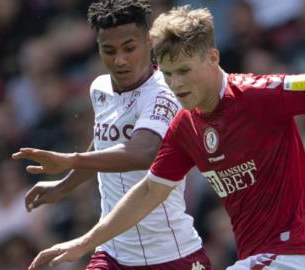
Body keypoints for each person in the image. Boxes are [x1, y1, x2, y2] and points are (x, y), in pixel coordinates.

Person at [26, 6, 305, 270]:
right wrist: (84, 243)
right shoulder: (185, 127)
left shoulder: (256, 94)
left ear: (212, 58)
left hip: (294, 257)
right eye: (168, 74)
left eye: (184, 71)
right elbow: (150, 191)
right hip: (256, 258)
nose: (176, 84)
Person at [12, 1, 212, 270]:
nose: (120, 60)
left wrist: (72, 160)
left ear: (149, 42)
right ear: (98, 49)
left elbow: (143, 153)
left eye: (129, 48)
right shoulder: (100, 88)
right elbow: (105, 143)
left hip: (170, 254)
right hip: (112, 253)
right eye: (109, 50)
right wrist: (64, 185)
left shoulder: (164, 93)